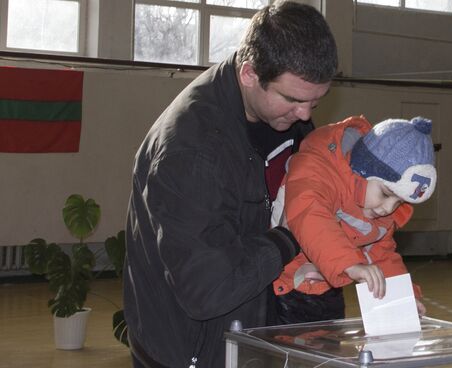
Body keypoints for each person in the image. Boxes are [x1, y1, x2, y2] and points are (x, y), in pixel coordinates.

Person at [123, 2, 338, 367]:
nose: (305, 115)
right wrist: (289, 237)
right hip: (192, 354)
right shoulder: (192, 152)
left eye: (316, 101)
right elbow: (208, 289)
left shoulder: (291, 120)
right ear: (250, 73)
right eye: (293, 100)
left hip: (259, 341)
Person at [270, 116, 435, 324]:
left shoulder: (375, 210)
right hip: (280, 290)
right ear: (362, 170)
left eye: (399, 203)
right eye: (385, 194)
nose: (388, 208)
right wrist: (350, 263)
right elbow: (311, 214)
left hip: (327, 293)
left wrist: (404, 298)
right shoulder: (316, 168)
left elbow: (381, 255)